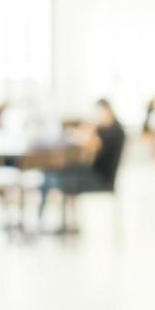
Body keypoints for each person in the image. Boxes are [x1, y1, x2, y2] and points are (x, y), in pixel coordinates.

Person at [40, 98, 125, 233]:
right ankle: (56, 222)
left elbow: (88, 146)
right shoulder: (107, 129)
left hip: (100, 179)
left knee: (57, 176)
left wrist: (89, 127)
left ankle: (49, 222)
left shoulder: (114, 132)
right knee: (57, 170)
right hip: (94, 172)